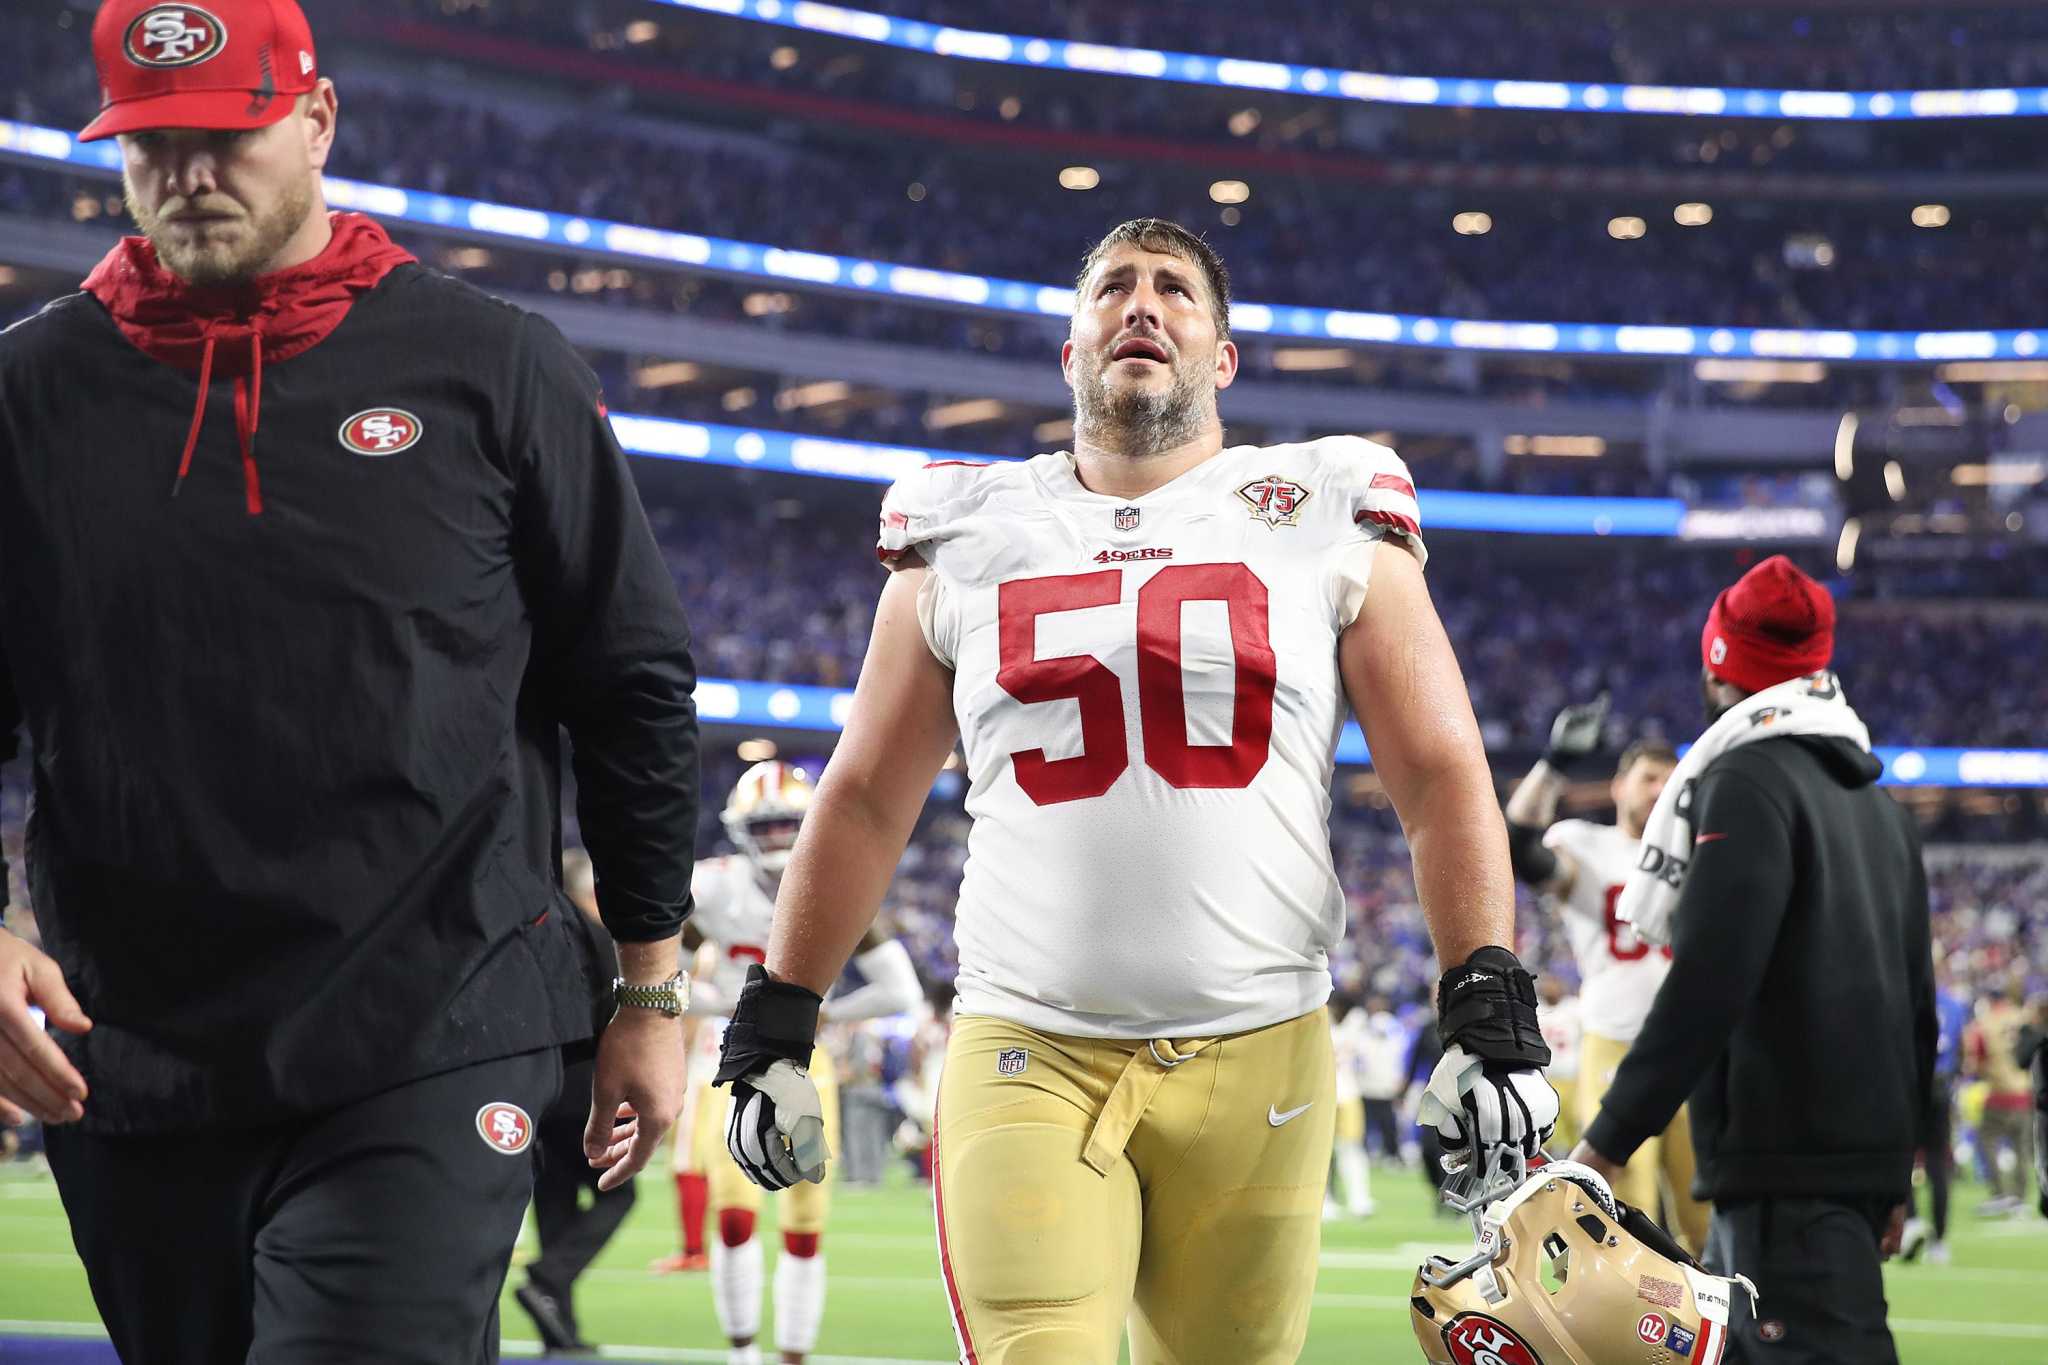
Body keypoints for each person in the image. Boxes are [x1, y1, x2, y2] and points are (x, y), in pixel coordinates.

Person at [712, 218, 1555, 1363]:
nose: (1142, 305)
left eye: (1174, 290)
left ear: (1222, 358)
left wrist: (1484, 996)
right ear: (1071, 353)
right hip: (1028, 1040)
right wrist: (775, 1018)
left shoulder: (1321, 505)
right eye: (1112, 288)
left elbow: (1440, 774)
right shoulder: (966, 530)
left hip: (1263, 1050)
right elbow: (862, 797)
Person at [0, 3, 700, 1359]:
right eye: (153, 144)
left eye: (227, 136)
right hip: (134, 1054)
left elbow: (632, 682)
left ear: (317, 121)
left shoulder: (494, 366)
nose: (190, 173)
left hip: (435, 1023)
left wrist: (651, 989)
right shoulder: (27, 398)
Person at [1569, 555, 1934, 1365]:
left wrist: (1604, 1143)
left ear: (1720, 661)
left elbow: (1709, 979)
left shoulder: (1747, 781)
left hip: (1784, 1169)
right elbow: (1919, 1007)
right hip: (1845, 1165)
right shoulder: (1880, 808)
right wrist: (1899, 1167)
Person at [686, 760, 922, 1365]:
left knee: (805, 1215)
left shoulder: (836, 877)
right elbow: (661, 961)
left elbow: (902, 991)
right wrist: (706, 999)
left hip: (804, 1065)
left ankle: (793, 1355)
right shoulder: (712, 884)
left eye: (785, 823)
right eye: (762, 826)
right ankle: (743, 1354)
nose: (773, 838)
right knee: (734, 1215)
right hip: (731, 1063)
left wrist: (824, 1016)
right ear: (740, 830)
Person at [1505, 720, 1707, 1251]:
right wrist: (1553, 765)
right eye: (1649, 778)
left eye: (1672, 780)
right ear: (1619, 786)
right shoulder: (1587, 845)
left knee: (1707, 1211)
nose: (1661, 790)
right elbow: (1523, 847)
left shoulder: (1703, 849)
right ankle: (1629, 1331)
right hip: (1616, 1040)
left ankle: (1726, 1329)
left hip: (1696, 1049)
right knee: (1620, 1205)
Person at [512, 850, 643, 1355]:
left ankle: (558, 1329)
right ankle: (548, 1278)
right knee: (619, 1194)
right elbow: (614, 1019)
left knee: (555, 1202)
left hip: (535, 1094)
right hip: (583, 1091)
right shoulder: (594, 936)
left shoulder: (530, 932)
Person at [1899, 962, 1971, 1263]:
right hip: (1941, 1088)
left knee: (1902, 1156)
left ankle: (1912, 1220)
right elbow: (1961, 1051)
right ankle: (1939, 1240)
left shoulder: (1908, 998)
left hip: (1913, 1086)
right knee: (1938, 1165)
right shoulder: (1954, 1005)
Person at [1968, 976, 2037, 1215]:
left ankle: (1999, 1192)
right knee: (2021, 1147)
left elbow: (1975, 1059)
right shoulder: (2025, 1017)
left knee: (1986, 1139)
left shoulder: (1984, 1023)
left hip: (1999, 1093)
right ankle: (2019, 1197)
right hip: (2025, 1092)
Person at [1535, 975, 1582, 1154]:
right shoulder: (1538, 1009)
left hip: (1573, 1078)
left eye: (1554, 983)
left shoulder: (1573, 1008)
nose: (1551, 988)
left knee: (1576, 1128)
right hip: (1548, 1080)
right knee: (1552, 1132)